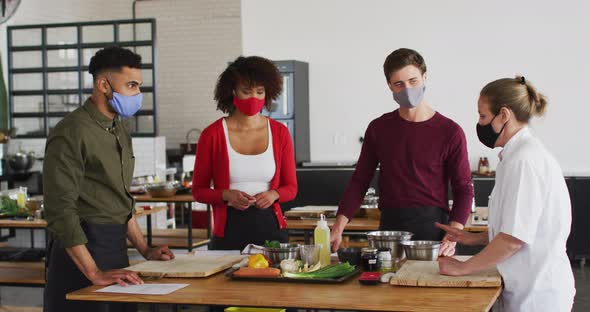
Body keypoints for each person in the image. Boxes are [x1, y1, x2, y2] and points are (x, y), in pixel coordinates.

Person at [43, 46, 174, 312]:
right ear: (104, 84)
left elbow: (120, 199)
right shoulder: (71, 131)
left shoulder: (119, 129)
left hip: (115, 247)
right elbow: (60, 211)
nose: (137, 94)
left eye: (139, 86)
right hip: (81, 251)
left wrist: (145, 250)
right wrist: (93, 272)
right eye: (131, 85)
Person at [436, 76, 575, 311]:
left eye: (482, 116)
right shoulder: (516, 156)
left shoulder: (524, 160)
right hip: (527, 289)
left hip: (538, 296)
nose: (479, 123)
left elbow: (513, 240)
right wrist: (474, 238)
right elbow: (518, 228)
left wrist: (462, 267)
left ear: (504, 115)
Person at [331, 48, 473, 256]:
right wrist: (338, 225)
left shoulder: (450, 132)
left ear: (425, 77)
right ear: (390, 86)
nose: (407, 89)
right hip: (390, 228)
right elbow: (360, 180)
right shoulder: (379, 128)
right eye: (399, 84)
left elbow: (464, 188)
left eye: (413, 81)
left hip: (433, 231)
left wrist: (454, 234)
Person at [192, 55, 297, 251]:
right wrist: (225, 195)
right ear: (232, 91)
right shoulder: (212, 134)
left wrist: (274, 194)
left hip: (271, 229)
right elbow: (198, 190)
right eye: (246, 92)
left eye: (260, 92)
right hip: (228, 231)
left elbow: (291, 187)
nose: (254, 98)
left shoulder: (280, 133)